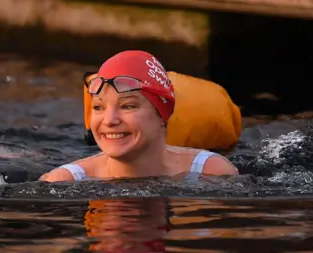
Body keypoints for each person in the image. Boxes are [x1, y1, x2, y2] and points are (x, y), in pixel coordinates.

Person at [40, 50, 238, 182]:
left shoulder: (212, 172)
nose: (109, 120)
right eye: (99, 107)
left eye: (128, 106)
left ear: (162, 114)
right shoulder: (63, 182)